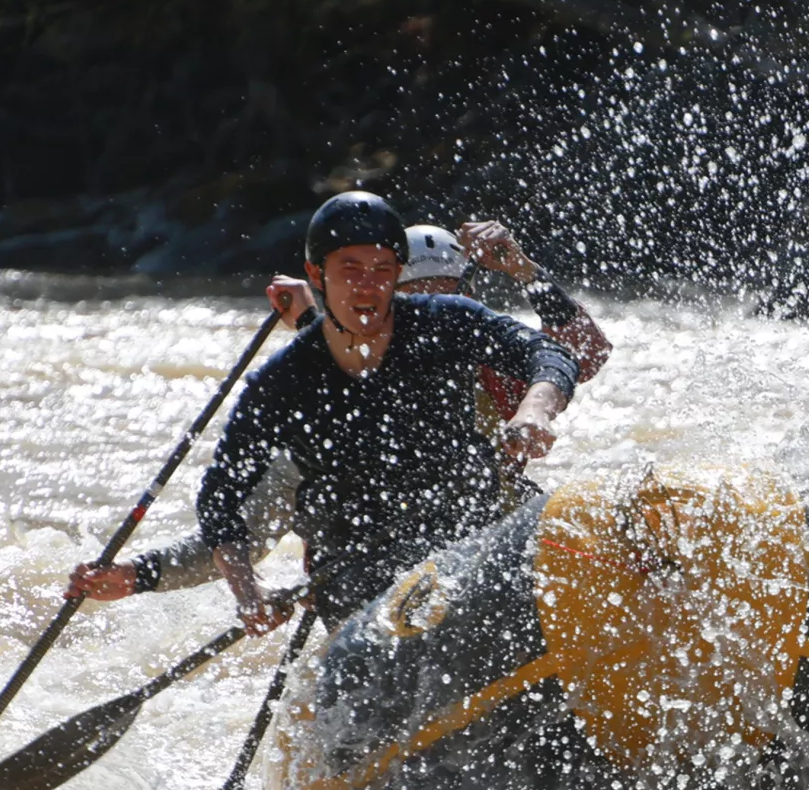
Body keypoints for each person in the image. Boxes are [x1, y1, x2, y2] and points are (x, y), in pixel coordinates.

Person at [68, 213, 608, 604]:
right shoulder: (303, 407)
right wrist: (140, 574)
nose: (432, 312)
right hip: (368, 575)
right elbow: (240, 523)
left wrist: (528, 275)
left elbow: (578, 355)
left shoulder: (475, 348)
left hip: (479, 535)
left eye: (448, 295)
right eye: (420, 295)